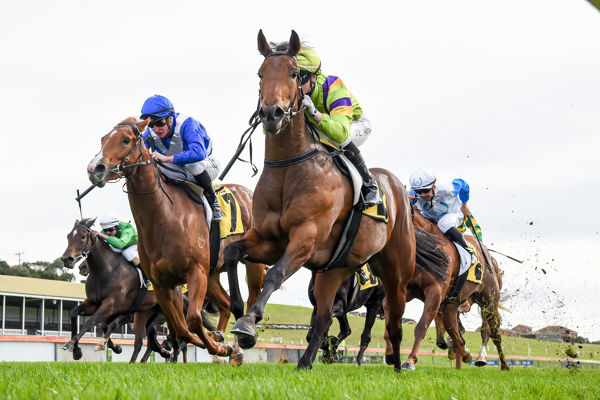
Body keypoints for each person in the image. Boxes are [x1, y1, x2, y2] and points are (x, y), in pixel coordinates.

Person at [297, 46, 381, 207]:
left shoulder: (334, 86)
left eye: (301, 79)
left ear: (314, 77)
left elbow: (341, 132)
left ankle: (369, 185)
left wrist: (314, 112)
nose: (296, 85)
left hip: (355, 125)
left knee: (332, 137)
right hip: (322, 127)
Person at [140, 94, 223, 221]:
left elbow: (198, 153)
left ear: (170, 119)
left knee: (192, 164)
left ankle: (213, 201)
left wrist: (167, 159)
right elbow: (138, 151)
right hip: (179, 170)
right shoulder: (150, 132)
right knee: (153, 166)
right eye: (151, 125)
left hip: (206, 165)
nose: (156, 129)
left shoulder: (187, 123)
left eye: (160, 123)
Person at [408, 168, 478, 265]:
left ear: (434, 187)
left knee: (443, 223)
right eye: (419, 191)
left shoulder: (448, 189)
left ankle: (469, 251)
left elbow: (463, 184)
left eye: (425, 190)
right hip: (430, 218)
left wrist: (464, 204)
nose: (423, 195)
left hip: (453, 214)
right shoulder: (413, 195)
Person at [96, 214, 151, 287]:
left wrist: (103, 236)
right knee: (109, 251)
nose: (108, 232)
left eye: (110, 229)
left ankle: (146, 277)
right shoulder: (108, 230)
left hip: (136, 244)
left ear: (117, 226)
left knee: (127, 253)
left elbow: (120, 244)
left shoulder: (127, 228)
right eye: (105, 230)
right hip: (122, 245)